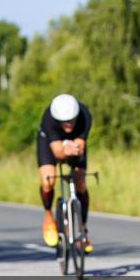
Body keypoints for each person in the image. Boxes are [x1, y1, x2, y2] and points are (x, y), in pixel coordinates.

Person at [36, 93, 92, 252]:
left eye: (71, 120)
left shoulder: (85, 116)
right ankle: (48, 216)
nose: (68, 124)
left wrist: (75, 149)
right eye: (64, 121)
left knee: (80, 182)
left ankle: (83, 230)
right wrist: (64, 150)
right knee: (48, 181)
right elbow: (57, 152)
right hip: (50, 142)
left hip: (75, 143)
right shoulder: (49, 119)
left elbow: (80, 145)